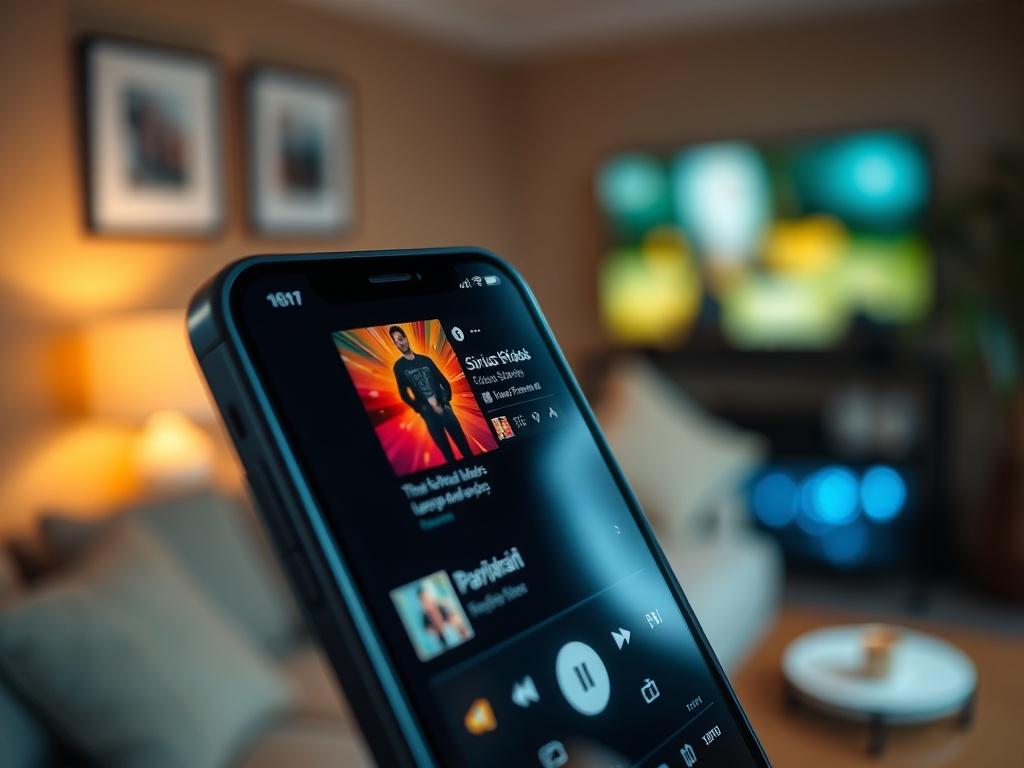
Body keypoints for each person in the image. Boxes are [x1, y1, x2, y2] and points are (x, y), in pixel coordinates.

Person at [389, 325, 473, 463]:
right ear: (395, 344)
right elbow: (404, 394)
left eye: (401, 338)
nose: (400, 343)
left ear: (406, 338)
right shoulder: (399, 367)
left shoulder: (425, 360)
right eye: (396, 341)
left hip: (444, 408)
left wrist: (445, 401)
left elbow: (444, 382)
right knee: (448, 455)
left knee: (465, 449)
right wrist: (421, 409)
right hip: (429, 414)